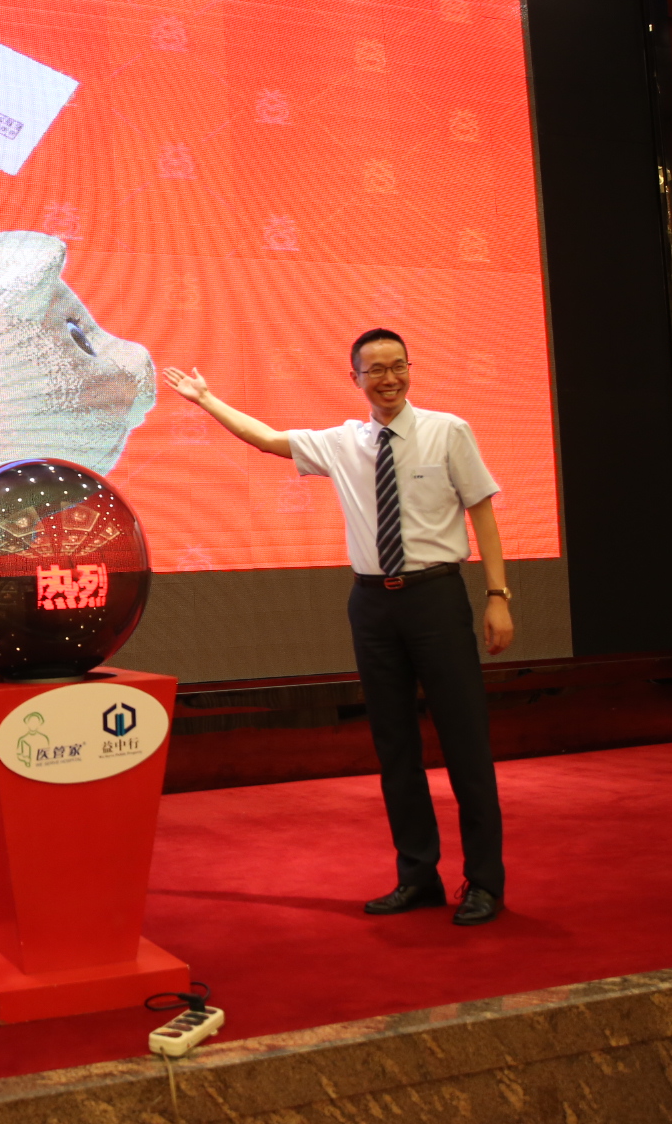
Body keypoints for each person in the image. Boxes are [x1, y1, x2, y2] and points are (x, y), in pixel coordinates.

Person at [162, 328, 514, 926]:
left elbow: (480, 508)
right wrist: (206, 399)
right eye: (375, 369)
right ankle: (417, 877)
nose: (389, 378)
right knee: (395, 747)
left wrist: (497, 595)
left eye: (398, 366)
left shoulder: (448, 431)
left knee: (465, 743)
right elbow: (267, 439)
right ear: (356, 379)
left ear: (410, 369)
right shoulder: (343, 442)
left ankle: (484, 881)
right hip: (373, 605)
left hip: (436, 597)